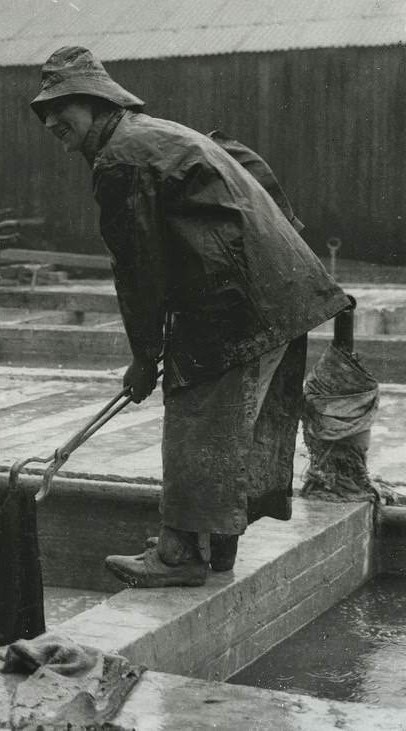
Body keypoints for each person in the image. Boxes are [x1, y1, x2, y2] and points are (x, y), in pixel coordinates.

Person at [30, 47, 351, 587]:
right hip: (275, 294)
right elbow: (250, 165)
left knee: (198, 420)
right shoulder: (156, 134)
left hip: (240, 304)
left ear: (95, 101)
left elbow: (137, 269)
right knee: (234, 424)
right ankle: (216, 545)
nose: (52, 122)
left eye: (63, 108)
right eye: (44, 114)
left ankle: (179, 555)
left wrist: (143, 357)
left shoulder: (121, 157)